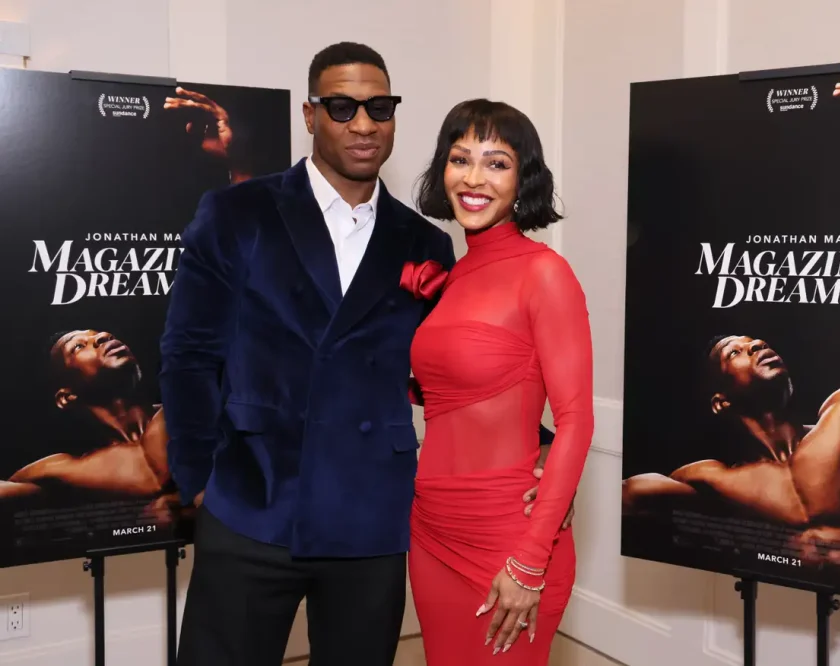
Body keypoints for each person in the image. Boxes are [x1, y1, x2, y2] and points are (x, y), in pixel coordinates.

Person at [159, 43, 564, 666]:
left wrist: (532, 451)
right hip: (250, 502)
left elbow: (444, 366)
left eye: (379, 106)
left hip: (371, 513)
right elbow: (189, 352)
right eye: (342, 106)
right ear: (310, 114)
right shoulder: (240, 211)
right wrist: (199, 482)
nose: (363, 123)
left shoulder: (425, 240)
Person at [622, 70, 840, 607]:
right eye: (736, 350)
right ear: (719, 399)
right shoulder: (716, 482)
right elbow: (632, 497)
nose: (756, 346)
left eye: (755, 341)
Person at [407, 99, 594, 664]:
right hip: (431, 527)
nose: (473, 178)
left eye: (496, 163)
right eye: (461, 159)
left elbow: (578, 420)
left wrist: (531, 560)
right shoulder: (451, 274)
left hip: (509, 539)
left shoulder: (545, 273)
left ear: (523, 178)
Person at [6, 330, 175, 517]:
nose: (103, 336)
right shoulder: (67, 470)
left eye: (102, 335)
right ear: (67, 397)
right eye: (78, 346)